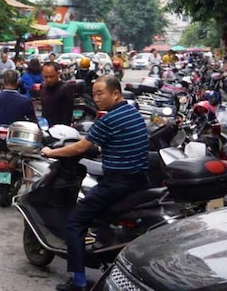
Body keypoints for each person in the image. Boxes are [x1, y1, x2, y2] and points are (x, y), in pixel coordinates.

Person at [41, 75, 149, 291]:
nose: (96, 98)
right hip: (139, 180)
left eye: (101, 93)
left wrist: (51, 152)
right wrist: (102, 149)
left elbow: (80, 147)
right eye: (95, 93)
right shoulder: (131, 112)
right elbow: (115, 142)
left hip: (117, 182)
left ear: (115, 94)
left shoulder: (109, 120)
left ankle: (79, 281)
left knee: (74, 222)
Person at [0, 69, 36, 197]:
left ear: (3, 82)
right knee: (27, 160)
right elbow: (33, 122)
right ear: (17, 82)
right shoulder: (24, 100)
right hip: (16, 140)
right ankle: (29, 191)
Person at [40, 61, 75, 126]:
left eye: (51, 76)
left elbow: (68, 114)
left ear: (58, 74)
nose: (49, 80)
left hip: (60, 128)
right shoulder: (43, 87)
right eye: (46, 77)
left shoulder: (66, 89)